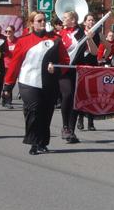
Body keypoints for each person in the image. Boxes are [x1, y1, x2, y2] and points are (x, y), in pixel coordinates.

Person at [4, 11, 69, 155]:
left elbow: (65, 61)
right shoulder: (23, 40)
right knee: (33, 111)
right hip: (28, 82)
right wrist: (8, 85)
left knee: (46, 113)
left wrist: (56, 69)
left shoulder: (56, 39)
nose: (42, 23)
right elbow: (15, 64)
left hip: (49, 82)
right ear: (32, 23)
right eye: (38, 20)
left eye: (43, 20)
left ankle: (42, 142)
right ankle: (33, 142)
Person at [58, 10, 98, 143]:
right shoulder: (60, 34)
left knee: (75, 100)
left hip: (77, 71)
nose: (63, 19)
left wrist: (90, 38)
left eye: (65, 17)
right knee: (67, 95)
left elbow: (94, 52)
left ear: (73, 20)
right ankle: (65, 126)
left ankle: (71, 130)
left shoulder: (81, 33)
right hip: (63, 71)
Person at [76, 13, 101, 132]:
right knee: (81, 94)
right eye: (89, 20)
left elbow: (104, 47)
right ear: (84, 22)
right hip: (81, 66)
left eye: (93, 20)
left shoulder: (96, 34)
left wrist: (104, 56)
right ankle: (80, 119)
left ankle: (91, 122)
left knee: (91, 95)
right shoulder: (80, 33)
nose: (91, 22)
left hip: (92, 66)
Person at [2, 24, 18, 108]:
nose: (8, 33)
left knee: (11, 83)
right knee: (6, 83)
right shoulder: (3, 41)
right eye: (6, 31)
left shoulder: (17, 41)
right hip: (5, 65)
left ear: (13, 32)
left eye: (10, 31)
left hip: (14, 65)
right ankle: (8, 101)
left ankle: (5, 99)